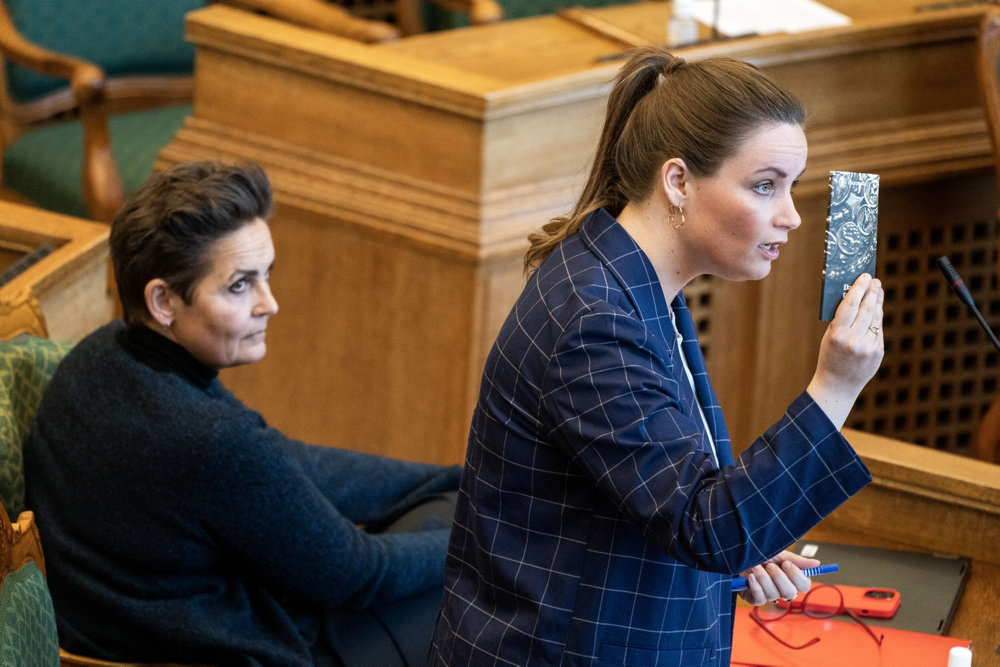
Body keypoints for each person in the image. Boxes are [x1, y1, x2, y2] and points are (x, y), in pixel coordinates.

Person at [429, 47, 884, 666]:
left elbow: (676, 498)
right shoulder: (596, 322)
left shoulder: (632, 282)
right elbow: (711, 527)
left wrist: (744, 545)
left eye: (792, 187)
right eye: (764, 186)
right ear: (678, 181)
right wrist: (836, 386)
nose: (792, 216)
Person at [24, 161, 461, 666]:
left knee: (447, 505)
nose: (269, 303)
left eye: (266, 276)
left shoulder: (99, 356)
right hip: (235, 651)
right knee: (484, 586)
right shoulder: (207, 441)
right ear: (163, 300)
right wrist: (482, 536)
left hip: (127, 632)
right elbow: (355, 574)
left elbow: (285, 463)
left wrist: (449, 479)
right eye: (239, 285)